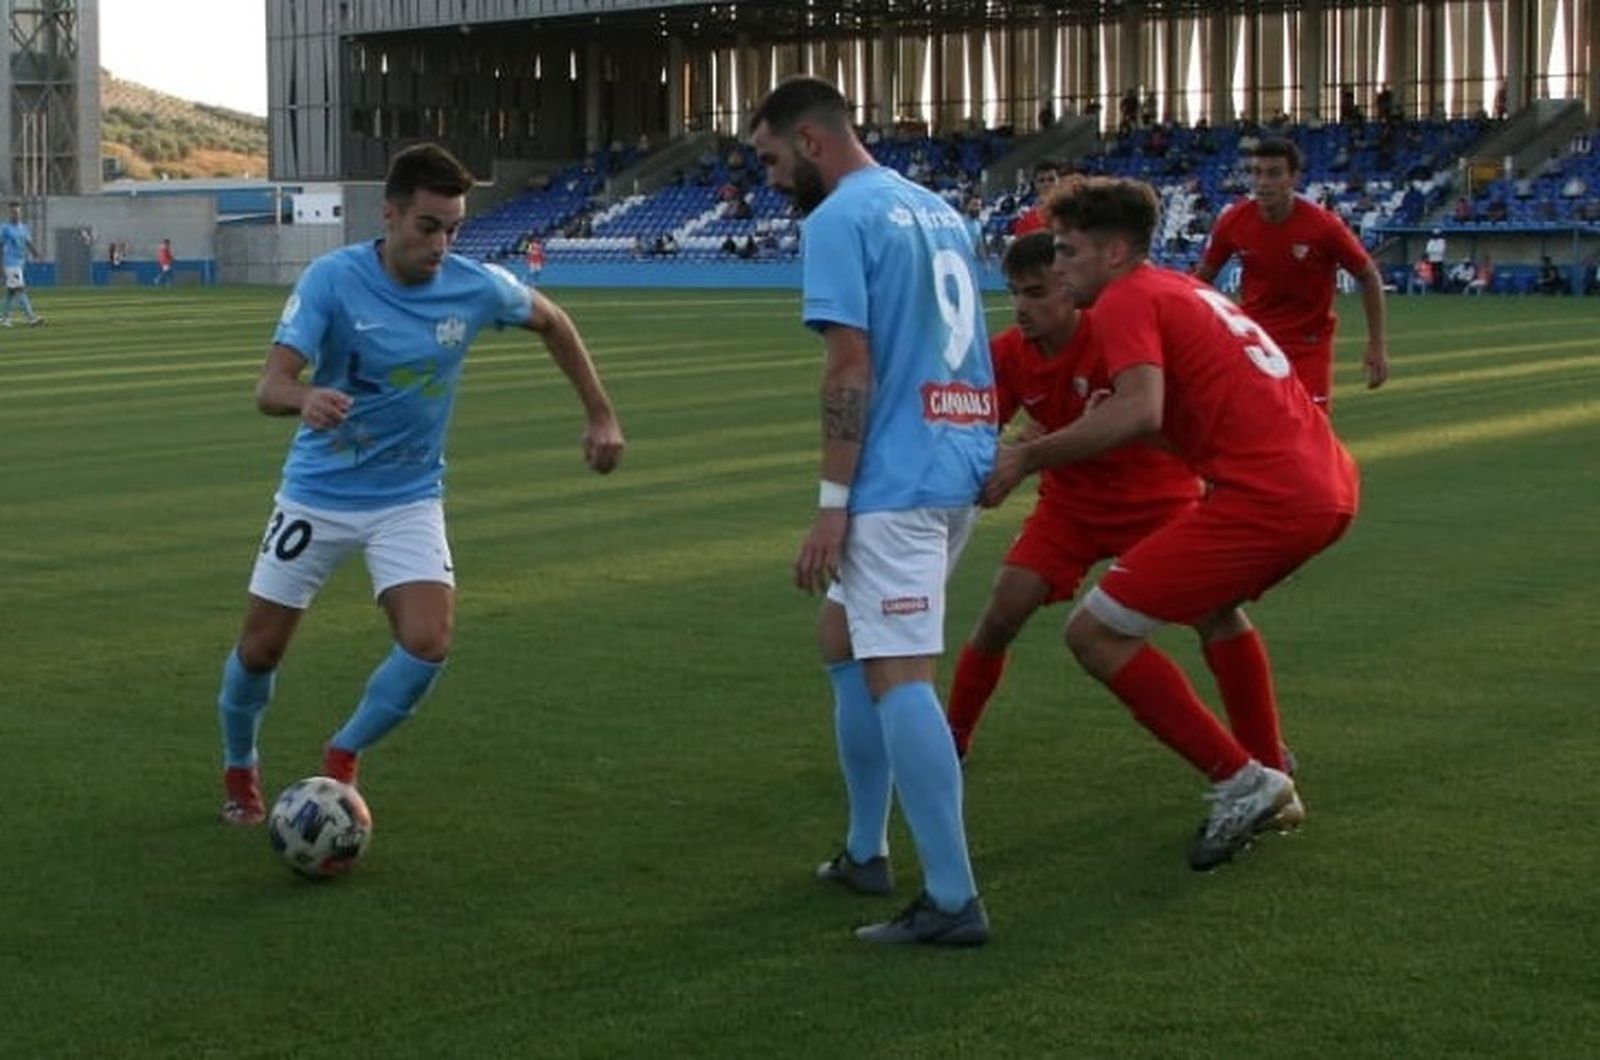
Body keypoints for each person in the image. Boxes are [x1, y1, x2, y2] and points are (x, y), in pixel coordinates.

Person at [214, 143, 625, 825]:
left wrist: (601, 413)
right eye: (428, 226)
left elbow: (553, 321)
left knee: (429, 640)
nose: (442, 243)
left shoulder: (475, 286)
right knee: (260, 649)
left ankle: (341, 758)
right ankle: (239, 766)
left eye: (454, 228)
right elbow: (269, 385)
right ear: (391, 215)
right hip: (317, 495)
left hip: (407, 498)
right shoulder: (331, 280)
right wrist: (304, 398)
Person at [984, 175, 1360, 871]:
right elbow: (1169, 422)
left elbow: (1140, 412)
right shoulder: (1182, 289)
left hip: (1270, 496)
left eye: (1067, 252)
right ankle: (1265, 763)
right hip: (1325, 483)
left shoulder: (1127, 298)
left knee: (1094, 632)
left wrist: (1026, 457)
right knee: (1217, 611)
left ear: (1116, 251)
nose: (1058, 268)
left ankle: (1243, 780)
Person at [750, 76, 995, 946]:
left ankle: (954, 899)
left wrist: (832, 507)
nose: (771, 179)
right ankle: (864, 849)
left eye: (772, 159)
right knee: (842, 639)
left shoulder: (837, 220)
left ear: (811, 141)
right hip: (956, 456)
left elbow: (849, 369)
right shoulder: (937, 209)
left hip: (897, 479)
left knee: (899, 674)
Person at [946, 232, 1203, 760]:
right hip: (1071, 507)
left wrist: (1048, 446)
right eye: (1015, 292)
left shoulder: (1117, 338)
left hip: (1156, 498)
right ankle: (951, 741)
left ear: (1068, 287)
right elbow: (976, 434)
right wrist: (990, 469)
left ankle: (1263, 750)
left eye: (1035, 293)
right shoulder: (1009, 354)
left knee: (1216, 614)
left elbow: (1168, 423)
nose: (1020, 306)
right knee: (1001, 611)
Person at [1194, 138, 1389, 411]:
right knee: (1254, 428)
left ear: (1294, 178)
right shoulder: (1233, 221)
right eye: (1256, 173)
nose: (1263, 182)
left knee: (1310, 435)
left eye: (1273, 173)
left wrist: (1376, 345)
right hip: (1255, 342)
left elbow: (1368, 275)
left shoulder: (1323, 226)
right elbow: (1199, 281)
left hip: (1308, 344)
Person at [1, 201, 44, 326]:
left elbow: (28, 242)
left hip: (20, 263)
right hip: (10, 263)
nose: (16, 214)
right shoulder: (5, 228)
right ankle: (31, 317)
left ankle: (4, 318)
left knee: (11, 291)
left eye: (18, 212)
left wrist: (37, 254)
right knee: (20, 289)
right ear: (10, 213)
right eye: (14, 212)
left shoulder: (23, 227)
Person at [1010, 160, 1061, 237]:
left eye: (1051, 179)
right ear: (1035, 184)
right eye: (1041, 180)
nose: (1047, 184)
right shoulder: (1025, 221)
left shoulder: (1072, 212)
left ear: (1059, 181)